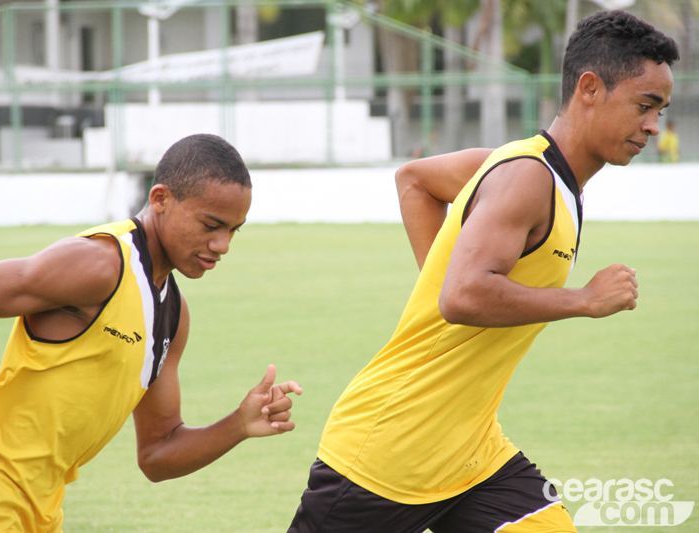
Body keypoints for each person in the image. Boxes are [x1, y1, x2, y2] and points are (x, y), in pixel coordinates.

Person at [288, 10, 678, 533]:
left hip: (471, 453)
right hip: (388, 453)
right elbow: (462, 297)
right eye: (645, 105)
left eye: (660, 110)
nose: (654, 125)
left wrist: (443, 281)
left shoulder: (527, 168)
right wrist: (583, 300)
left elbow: (415, 181)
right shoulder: (526, 177)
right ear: (589, 88)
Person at [0, 133, 302, 532]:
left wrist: (237, 424)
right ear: (161, 199)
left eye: (235, 230)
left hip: (41, 510)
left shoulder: (173, 313)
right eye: (211, 225)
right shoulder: (100, 264)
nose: (222, 245)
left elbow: (158, 453)